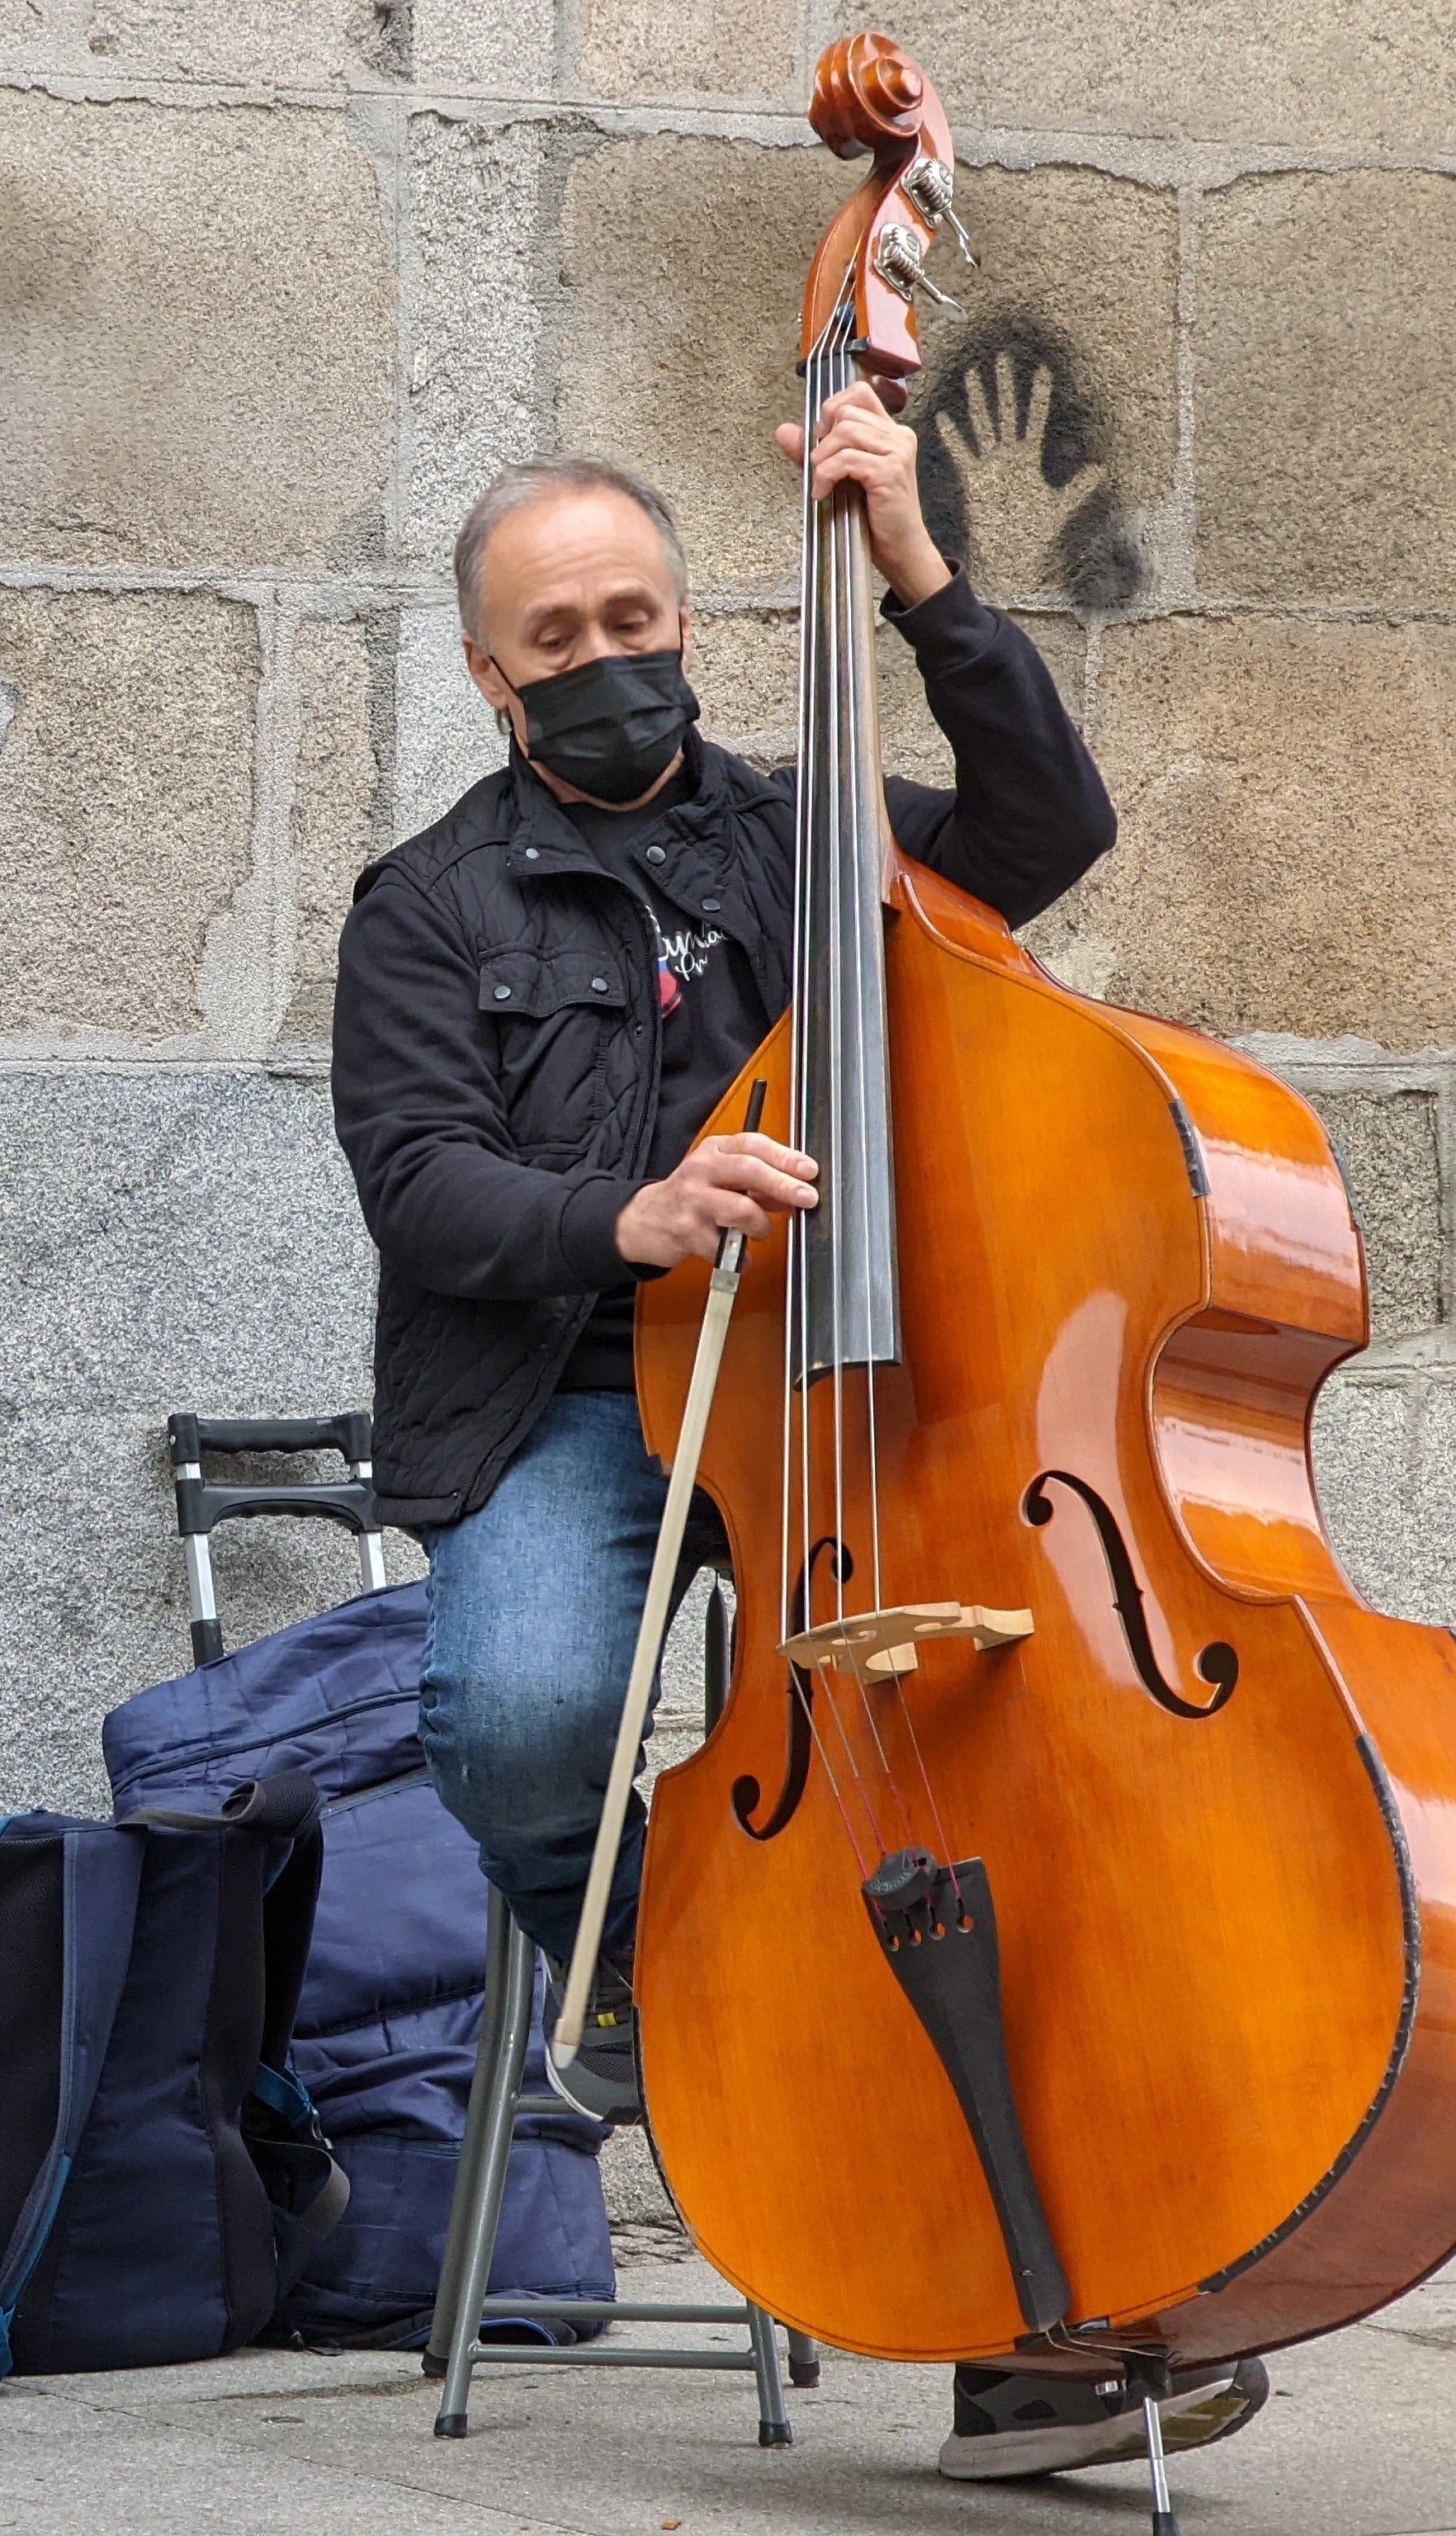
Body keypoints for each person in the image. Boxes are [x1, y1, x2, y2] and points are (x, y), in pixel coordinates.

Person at [327, 398, 1267, 2482]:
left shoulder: (811, 829)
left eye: (634, 614)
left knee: (988, 1790)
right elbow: (420, 1185)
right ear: (490, 675)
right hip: (578, 1392)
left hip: (842, 1402)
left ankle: (1039, 2288)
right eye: (553, 637)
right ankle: (688, 1999)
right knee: (518, 1717)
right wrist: (630, 1216)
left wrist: (916, 564)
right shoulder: (428, 906)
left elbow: (1047, 828)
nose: (602, 657)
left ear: (690, 618)